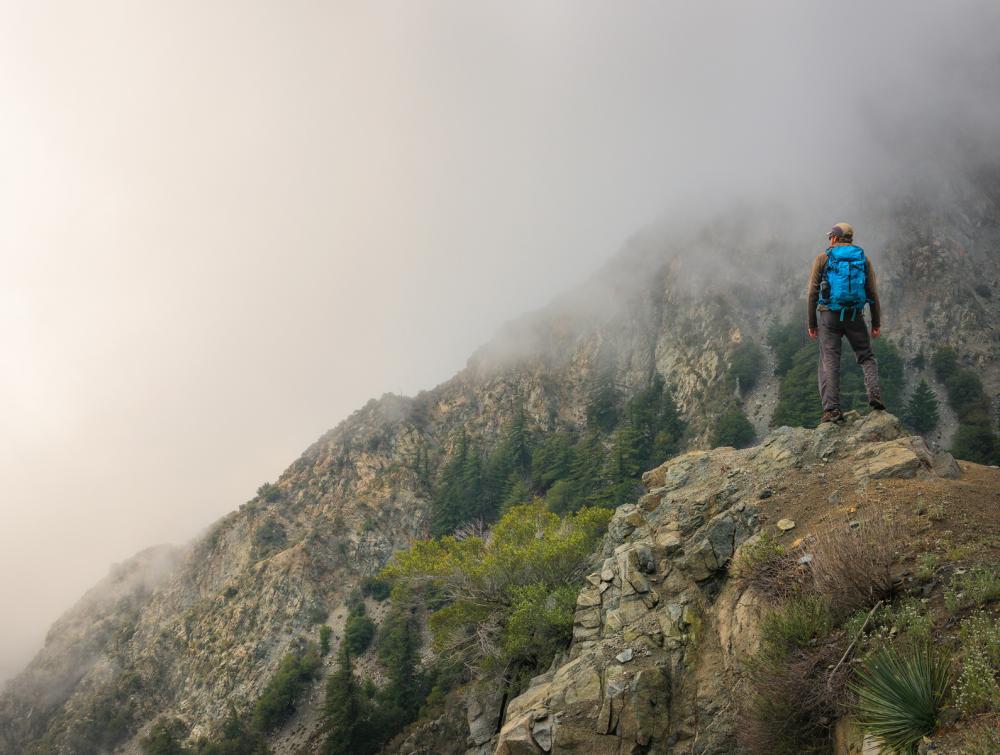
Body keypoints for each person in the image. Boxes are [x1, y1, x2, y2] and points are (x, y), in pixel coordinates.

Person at [806, 222, 885, 424]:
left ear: (834, 238)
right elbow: (872, 292)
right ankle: (874, 396)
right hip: (854, 314)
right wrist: (876, 322)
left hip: (828, 316)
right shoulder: (862, 259)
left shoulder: (823, 258)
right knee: (866, 356)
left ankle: (832, 410)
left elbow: (812, 293)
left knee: (829, 361)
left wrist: (812, 323)